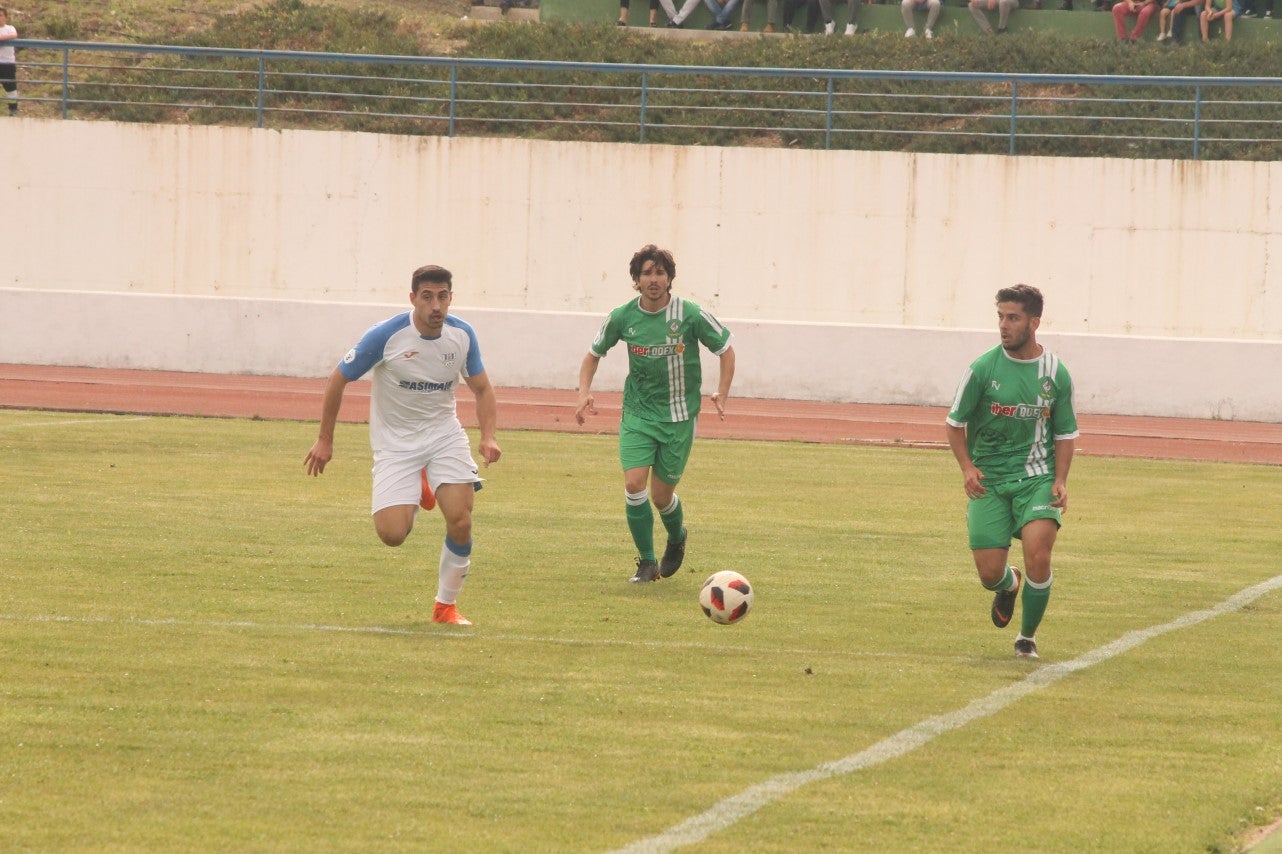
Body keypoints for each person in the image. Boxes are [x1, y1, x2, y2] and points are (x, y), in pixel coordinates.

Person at [304, 264, 502, 627]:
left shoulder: (462, 335)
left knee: (460, 520)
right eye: (427, 297)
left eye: (442, 296)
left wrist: (488, 436)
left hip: (444, 436)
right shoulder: (386, 336)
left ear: (451, 298)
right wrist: (325, 439)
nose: (436, 305)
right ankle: (421, 484)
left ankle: (445, 607)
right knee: (392, 535)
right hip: (396, 445)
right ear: (413, 299)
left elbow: (482, 389)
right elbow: (337, 380)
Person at [574, 245, 735, 584]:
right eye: (646, 273)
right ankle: (647, 562)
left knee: (662, 497)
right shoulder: (622, 317)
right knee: (634, 484)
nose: (654, 279)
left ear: (669, 278)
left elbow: (726, 349)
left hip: (679, 417)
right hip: (638, 414)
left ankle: (677, 536)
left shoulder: (690, 314)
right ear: (636, 279)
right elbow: (592, 355)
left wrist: (722, 391)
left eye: (660, 273)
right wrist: (584, 392)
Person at [945, 284, 1078, 660]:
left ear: (1034, 322)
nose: (1004, 325)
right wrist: (967, 467)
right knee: (989, 574)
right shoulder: (982, 369)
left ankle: (1026, 639)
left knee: (1039, 555)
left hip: (1037, 478)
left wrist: (1060, 479)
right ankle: (1009, 582)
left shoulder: (1055, 373)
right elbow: (954, 425)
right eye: (1001, 317)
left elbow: (1065, 433)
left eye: (1013, 318)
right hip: (989, 481)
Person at [0, 8, 18, 116]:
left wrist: (1, 38)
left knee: (11, 88)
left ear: (5, 17)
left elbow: (14, 35)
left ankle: (13, 110)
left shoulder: (10, 28)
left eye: (1, 15)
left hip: (8, 63)